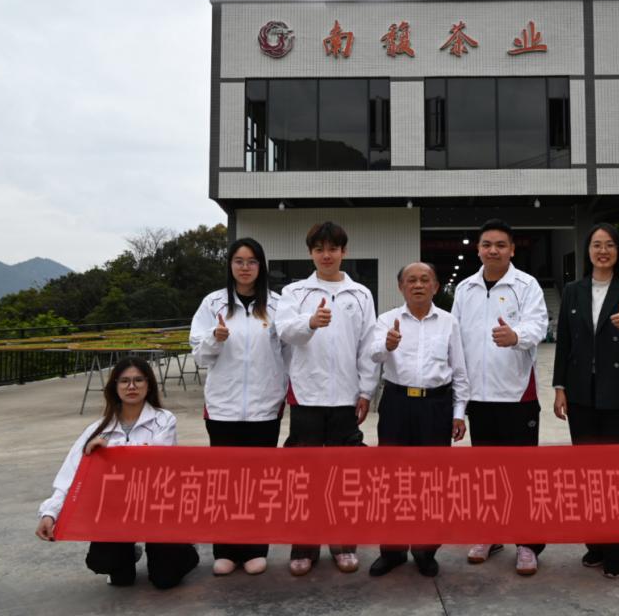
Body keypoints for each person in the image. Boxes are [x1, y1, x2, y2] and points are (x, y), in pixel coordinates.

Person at [35, 357, 199, 589]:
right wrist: (50, 513)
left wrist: (108, 451)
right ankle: (129, 553)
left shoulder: (164, 420)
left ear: (148, 385)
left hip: (157, 510)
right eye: (124, 381)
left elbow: (154, 457)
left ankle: (184, 548)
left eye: (138, 380)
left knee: (165, 580)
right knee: (107, 566)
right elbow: (70, 476)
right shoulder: (97, 429)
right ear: (115, 387)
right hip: (116, 514)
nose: (131, 386)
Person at [275, 220, 379, 576]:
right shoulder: (295, 292)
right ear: (311, 253)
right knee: (304, 476)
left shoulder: (360, 294)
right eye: (319, 249)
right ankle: (304, 546)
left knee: (344, 475)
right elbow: (285, 332)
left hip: (345, 398)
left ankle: (343, 543)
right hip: (307, 395)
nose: (326, 255)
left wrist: (365, 391)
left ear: (343, 252)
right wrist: (310, 323)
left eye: (333, 249)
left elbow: (368, 347)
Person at [551, 222, 619, 578]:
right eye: (596, 244)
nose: (603, 251)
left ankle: (618, 550)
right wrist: (560, 387)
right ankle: (595, 543)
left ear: (618, 251)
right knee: (587, 474)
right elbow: (564, 343)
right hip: (581, 394)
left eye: (609, 244)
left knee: (618, 475)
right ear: (588, 251)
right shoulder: (574, 291)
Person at [451, 218, 548, 575]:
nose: (493, 250)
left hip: (516, 394)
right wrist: (459, 402)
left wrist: (516, 336)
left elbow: (539, 325)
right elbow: (456, 341)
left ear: (512, 249)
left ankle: (527, 544)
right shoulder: (465, 289)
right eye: (487, 244)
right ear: (478, 249)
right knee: (485, 473)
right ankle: (489, 534)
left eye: (500, 245)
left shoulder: (527, 285)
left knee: (522, 474)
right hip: (479, 396)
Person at [189, 237, 286, 576]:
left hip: (264, 408)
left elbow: (290, 352)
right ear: (230, 265)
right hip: (223, 408)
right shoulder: (213, 303)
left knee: (259, 482)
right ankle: (226, 550)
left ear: (261, 267)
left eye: (252, 261)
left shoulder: (277, 305)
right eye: (239, 261)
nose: (245, 268)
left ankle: (256, 548)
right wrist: (214, 339)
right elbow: (198, 354)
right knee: (224, 483)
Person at [367, 262, 470, 578]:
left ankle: (426, 550)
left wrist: (458, 413)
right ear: (401, 287)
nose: (418, 285)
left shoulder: (449, 322)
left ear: (436, 286)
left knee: (432, 482)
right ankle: (392, 551)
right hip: (397, 404)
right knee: (392, 480)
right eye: (411, 280)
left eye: (425, 279)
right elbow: (373, 355)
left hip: (436, 406)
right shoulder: (387, 320)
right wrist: (387, 345)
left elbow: (460, 371)